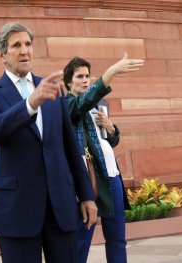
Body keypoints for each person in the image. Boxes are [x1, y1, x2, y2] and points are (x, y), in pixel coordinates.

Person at [0, 22, 98, 263]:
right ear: (2, 55)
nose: (24, 50)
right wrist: (30, 104)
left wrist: (86, 195)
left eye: (28, 44)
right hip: (17, 209)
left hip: (60, 205)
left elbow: (69, 147)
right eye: (16, 45)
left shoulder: (53, 90)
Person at [63, 54, 144, 263]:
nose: (85, 80)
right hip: (88, 179)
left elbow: (109, 141)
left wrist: (111, 128)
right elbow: (84, 101)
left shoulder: (100, 104)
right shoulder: (67, 105)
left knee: (117, 237)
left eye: (88, 76)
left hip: (111, 175)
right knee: (82, 240)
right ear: (68, 82)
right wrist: (111, 73)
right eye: (79, 76)